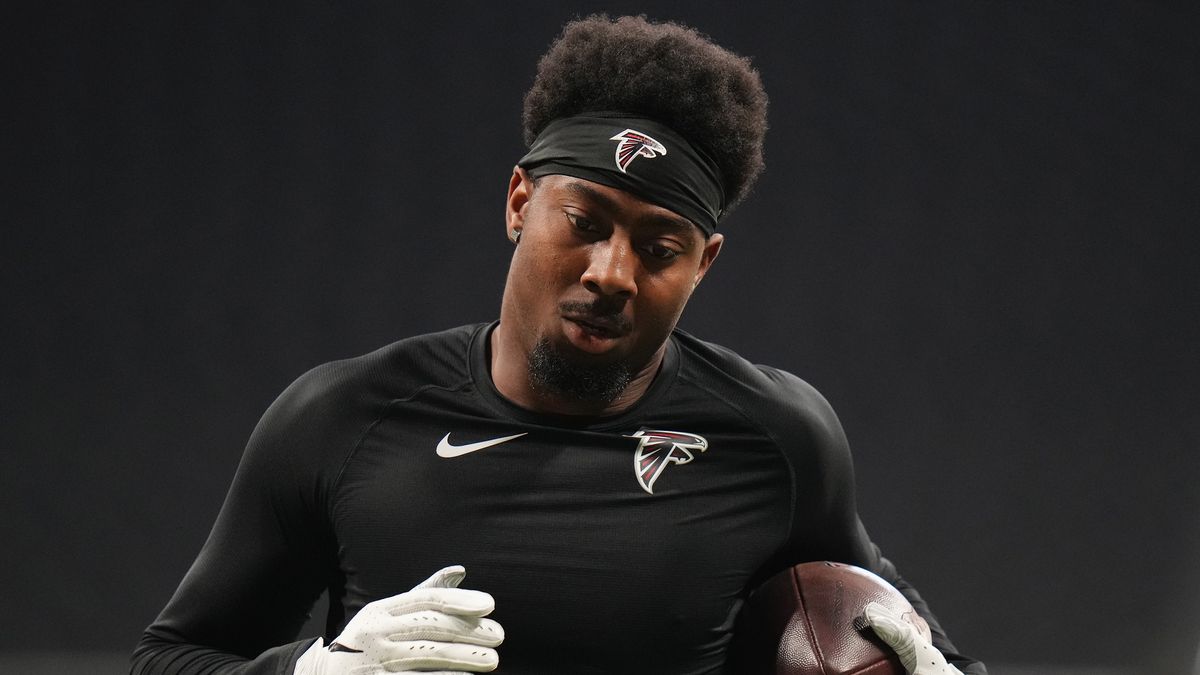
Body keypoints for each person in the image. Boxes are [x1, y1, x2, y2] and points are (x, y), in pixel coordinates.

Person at [131, 15, 986, 675]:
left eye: (659, 248)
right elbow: (169, 659)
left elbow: (913, 649)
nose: (612, 273)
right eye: (583, 222)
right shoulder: (342, 418)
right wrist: (312, 671)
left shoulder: (781, 439)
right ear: (518, 203)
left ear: (703, 264)